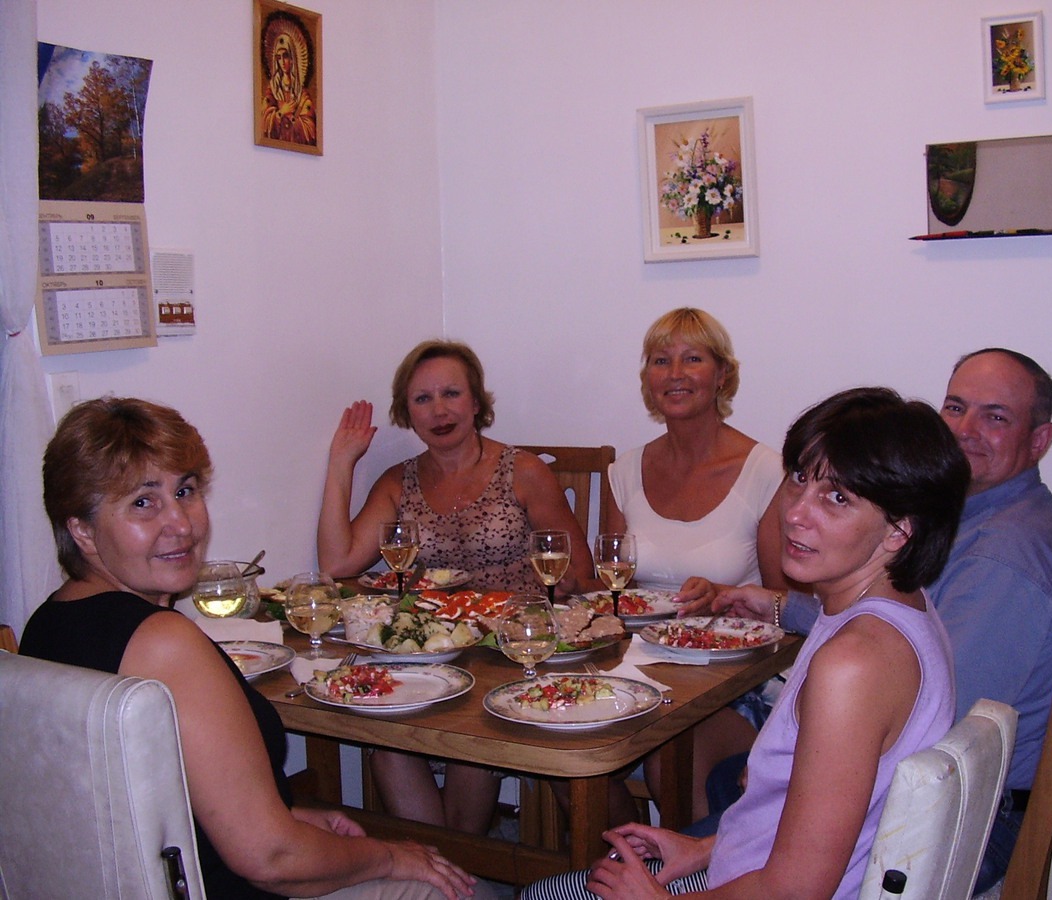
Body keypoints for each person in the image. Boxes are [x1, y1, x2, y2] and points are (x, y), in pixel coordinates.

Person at [21, 397, 481, 900]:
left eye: (185, 491)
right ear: (82, 530)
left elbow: (141, 798)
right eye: (143, 503)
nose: (182, 524)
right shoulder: (162, 643)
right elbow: (272, 859)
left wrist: (282, 814)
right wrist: (391, 856)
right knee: (454, 890)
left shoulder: (44, 626)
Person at [520, 387, 970, 900]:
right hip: (747, 862)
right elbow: (816, 819)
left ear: (898, 531)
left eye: (838, 498)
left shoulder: (855, 663)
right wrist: (704, 847)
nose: (796, 513)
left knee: (540, 895)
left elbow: (795, 891)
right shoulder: (900, 607)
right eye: (800, 478)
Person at [719, 348, 1052, 894]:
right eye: (955, 407)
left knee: (721, 758)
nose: (965, 429)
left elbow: (927, 720)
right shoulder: (945, 542)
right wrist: (783, 606)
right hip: (837, 825)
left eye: (996, 416)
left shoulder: (1005, 554)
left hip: (963, 822)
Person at [317, 339, 595, 835]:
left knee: (474, 733)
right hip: (435, 650)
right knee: (385, 734)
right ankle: (444, 866)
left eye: (451, 393)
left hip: (511, 650)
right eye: (423, 399)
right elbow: (338, 562)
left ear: (476, 401)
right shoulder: (398, 482)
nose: (439, 411)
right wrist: (342, 463)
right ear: (407, 411)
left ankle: (455, 860)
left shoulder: (523, 471)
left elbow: (576, 573)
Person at [603, 307, 786, 820]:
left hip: (737, 674)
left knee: (671, 750)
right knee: (562, 724)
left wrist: (724, 596)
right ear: (648, 378)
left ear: (722, 374)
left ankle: (687, 859)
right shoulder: (624, 471)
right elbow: (610, 588)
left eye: (693, 359)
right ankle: (630, 853)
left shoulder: (765, 470)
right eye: (661, 361)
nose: (676, 374)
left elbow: (789, 606)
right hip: (641, 662)